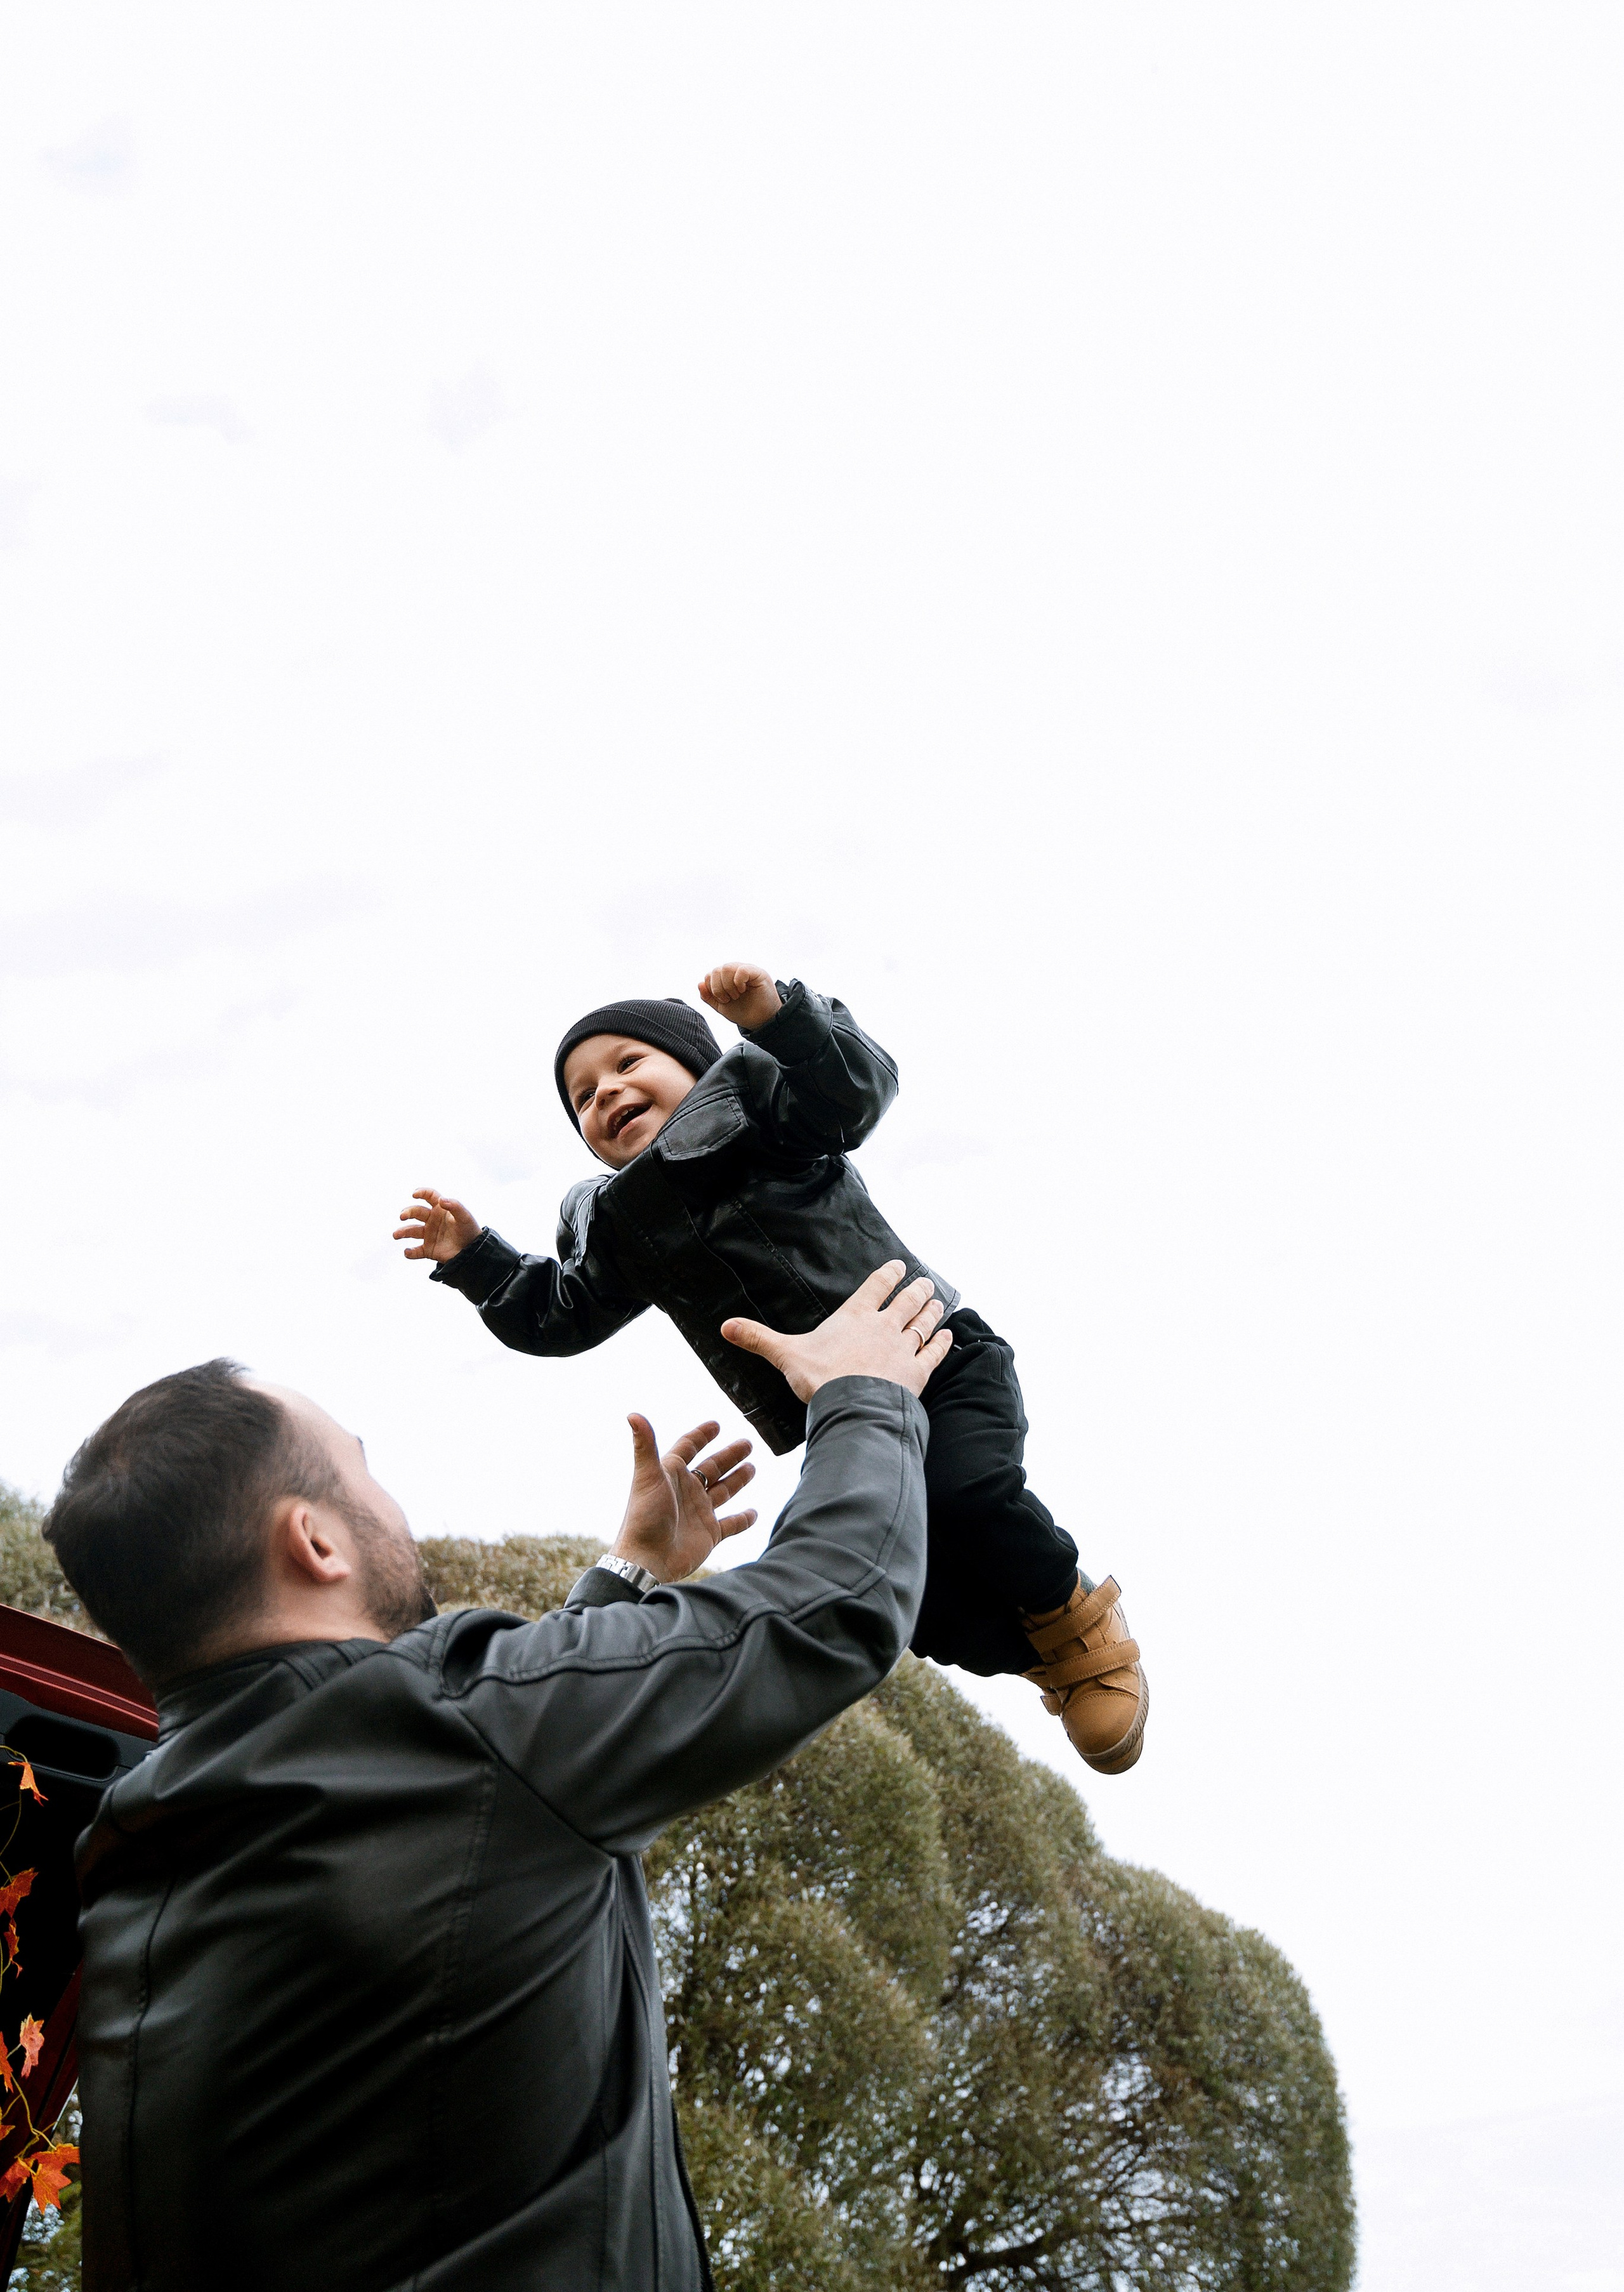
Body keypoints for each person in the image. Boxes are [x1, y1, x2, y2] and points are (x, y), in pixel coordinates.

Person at [43, 1266, 948, 2292]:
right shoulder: (457, 1728)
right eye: (362, 1470)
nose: (391, 1500)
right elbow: (836, 1605)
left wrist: (630, 1578)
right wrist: (863, 1397)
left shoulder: (129, 1858)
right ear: (316, 1540)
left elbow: (472, 1804)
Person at [396, 963, 1146, 1772]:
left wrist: (780, 1021)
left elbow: (852, 1091)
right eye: (581, 1096)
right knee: (897, 1588)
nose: (603, 1093)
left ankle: (1077, 1626)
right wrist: (475, 1260)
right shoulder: (615, 1224)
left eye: (625, 1064)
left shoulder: (763, 1110)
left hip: (935, 1353)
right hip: (840, 1424)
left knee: (965, 1491)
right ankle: (1041, 1659)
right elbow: (560, 1314)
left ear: (695, 1064)